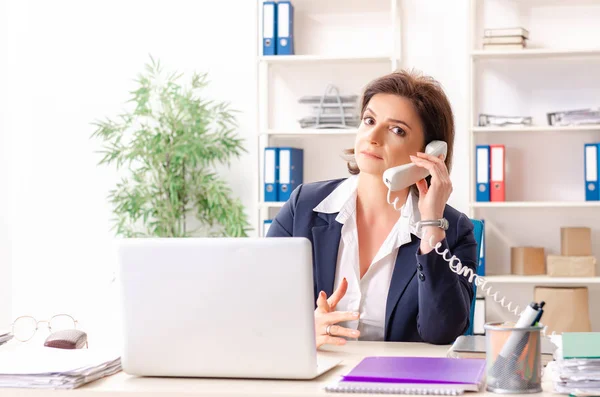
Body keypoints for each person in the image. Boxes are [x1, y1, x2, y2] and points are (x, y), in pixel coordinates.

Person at [266, 70, 477, 347]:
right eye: (369, 120)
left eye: (397, 130)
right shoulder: (303, 206)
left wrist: (431, 228)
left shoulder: (454, 229)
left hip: (399, 383)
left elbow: (441, 332)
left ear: (430, 153)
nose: (373, 136)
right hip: (318, 375)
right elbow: (261, 303)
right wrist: (304, 330)